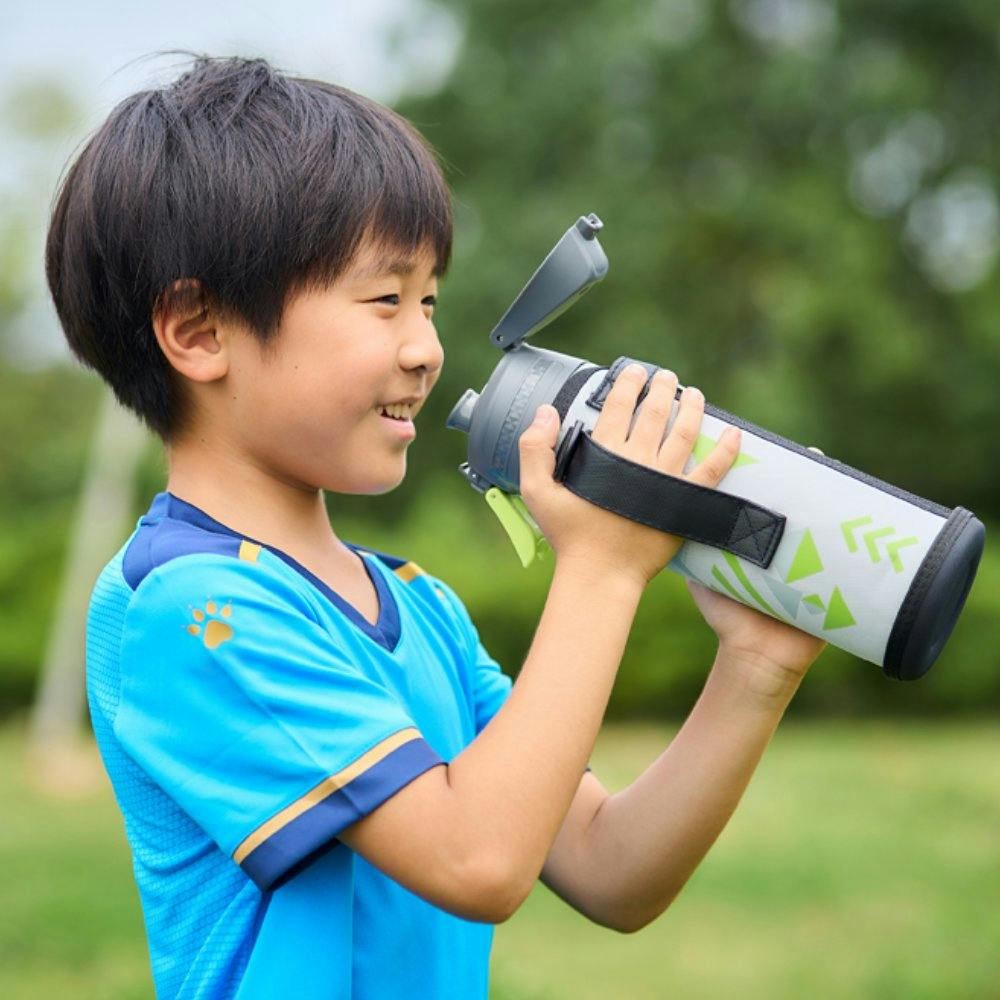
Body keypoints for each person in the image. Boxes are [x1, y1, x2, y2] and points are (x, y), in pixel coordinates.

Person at [44, 52, 827, 1000]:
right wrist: (603, 567)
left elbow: (610, 869)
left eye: (429, 301)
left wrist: (755, 669)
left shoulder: (421, 608)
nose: (426, 348)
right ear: (199, 331)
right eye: (384, 301)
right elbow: (479, 861)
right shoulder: (188, 607)